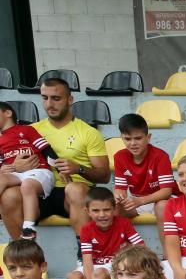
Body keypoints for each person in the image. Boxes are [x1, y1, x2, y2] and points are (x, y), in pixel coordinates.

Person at [1, 78, 110, 240]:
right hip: (37, 191)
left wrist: (78, 168)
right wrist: (13, 167)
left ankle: (85, 252)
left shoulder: (88, 132)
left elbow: (104, 175)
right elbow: (6, 160)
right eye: (45, 98)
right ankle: (24, 254)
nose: (49, 104)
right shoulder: (30, 130)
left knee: (76, 189)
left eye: (56, 98)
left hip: (70, 194)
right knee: (9, 195)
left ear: (70, 99)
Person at [65, 187, 145, 279]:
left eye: (106, 210)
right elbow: (87, 262)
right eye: (96, 210)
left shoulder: (124, 224)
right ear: (87, 211)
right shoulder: (86, 230)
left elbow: (141, 248)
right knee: (73, 276)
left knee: (100, 273)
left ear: (114, 209)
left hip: (114, 266)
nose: (102, 215)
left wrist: (129, 256)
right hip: (94, 266)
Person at [0, 101, 58, 241]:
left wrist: (60, 168)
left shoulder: (26, 130)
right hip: (16, 174)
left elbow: (46, 149)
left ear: (8, 113)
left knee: (27, 185)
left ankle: (29, 227)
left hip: (39, 171)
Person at [112, 113, 175, 225]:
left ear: (148, 137)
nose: (133, 143)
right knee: (113, 208)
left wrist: (140, 201)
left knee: (162, 207)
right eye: (127, 139)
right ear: (121, 138)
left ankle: (167, 243)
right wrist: (119, 197)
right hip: (137, 200)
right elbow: (120, 188)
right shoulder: (119, 157)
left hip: (161, 200)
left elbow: (166, 192)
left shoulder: (160, 156)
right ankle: (124, 242)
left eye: (138, 138)